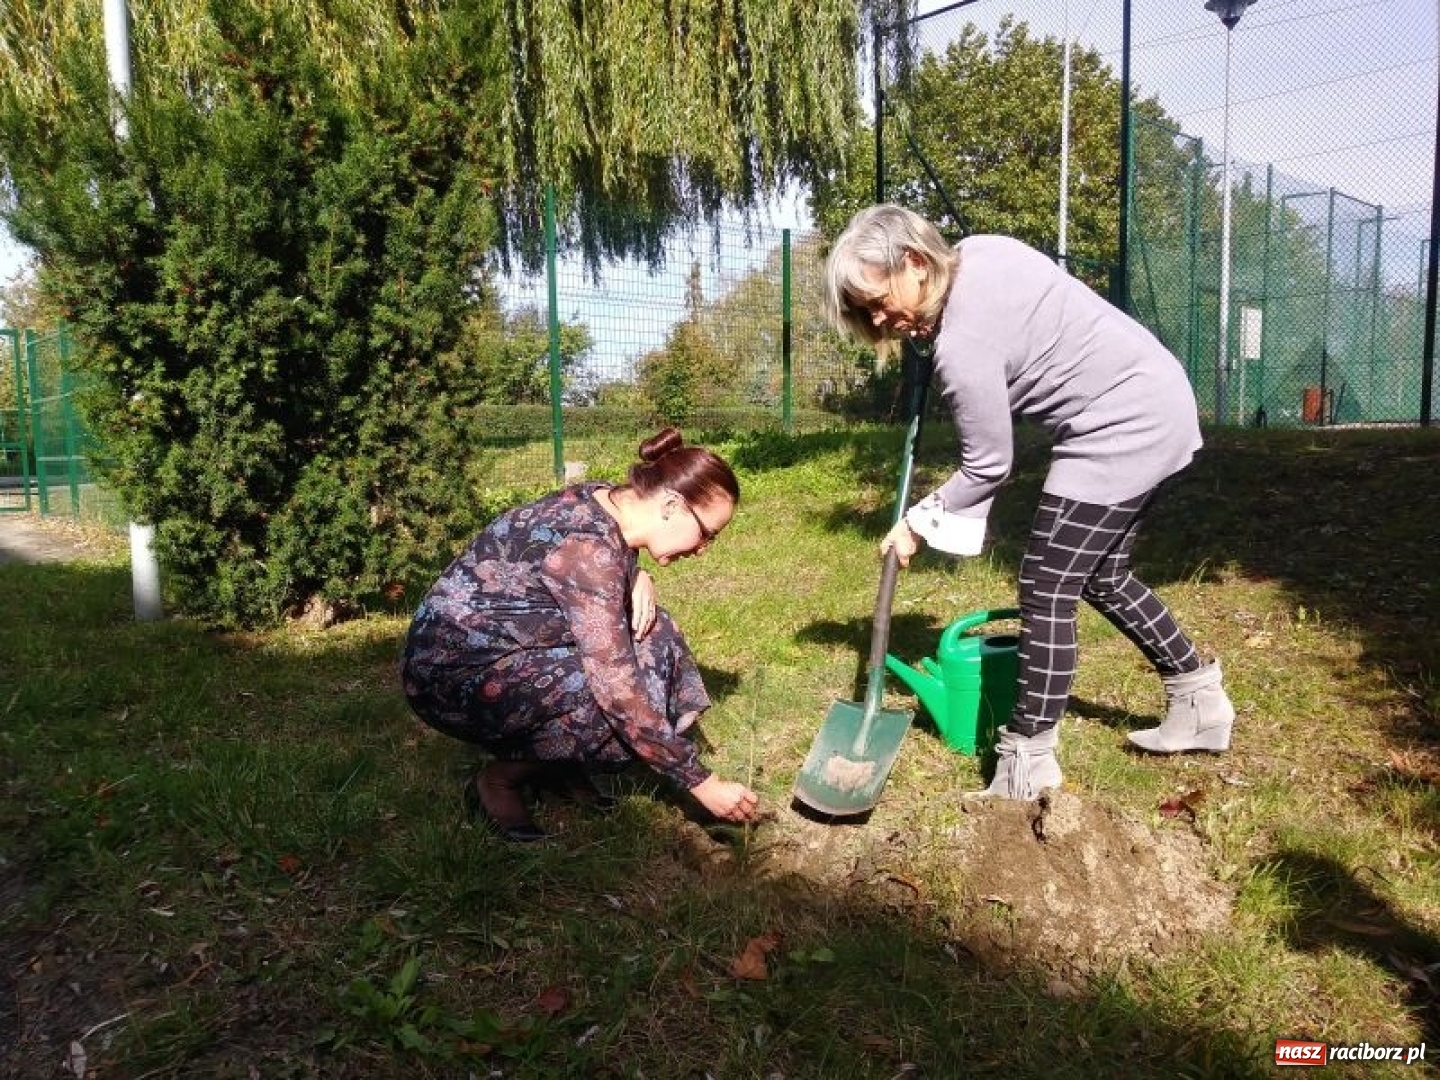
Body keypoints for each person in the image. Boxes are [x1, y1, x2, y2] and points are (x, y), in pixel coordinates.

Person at [822, 204, 1236, 800]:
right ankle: (1197, 699)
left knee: (1046, 584)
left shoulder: (961, 347)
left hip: (1120, 424)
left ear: (913, 262)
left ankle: (1026, 761)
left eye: (878, 300)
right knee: (1101, 575)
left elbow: (989, 465)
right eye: (865, 314)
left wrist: (915, 524)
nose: (881, 320)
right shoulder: (988, 249)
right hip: (1159, 395)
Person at [400, 427, 760, 840]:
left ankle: (560, 768)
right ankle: (498, 781)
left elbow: (589, 559)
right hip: (448, 678)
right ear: (670, 504)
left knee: (657, 634)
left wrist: (636, 574)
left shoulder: (610, 501)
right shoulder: (589, 552)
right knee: (618, 694)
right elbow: (616, 686)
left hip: (501, 650)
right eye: (707, 533)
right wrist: (699, 781)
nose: (703, 548)